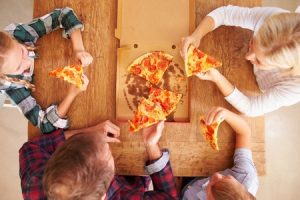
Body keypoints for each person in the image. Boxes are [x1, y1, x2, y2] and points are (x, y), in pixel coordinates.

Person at [181, 5, 300, 116]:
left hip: (256, 87)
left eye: (258, 60)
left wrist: (217, 78)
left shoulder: (295, 89)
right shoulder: (275, 21)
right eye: (253, 42)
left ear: (286, 67)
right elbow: (224, 14)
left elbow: (252, 108)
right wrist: (196, 35)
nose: (247, 57)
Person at [19, 120, 178, 199]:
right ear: (103, 195)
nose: (103, 141)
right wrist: (151, 146)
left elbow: (31, 148)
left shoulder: (34, 182)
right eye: (108, 152)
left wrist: (87, 132)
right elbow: (169, 196)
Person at [0, 7, 93, 133]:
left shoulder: (17, 33)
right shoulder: (11, 86)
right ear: (4, 75)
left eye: (22, 51)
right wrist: (72, 94)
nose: (27, 61)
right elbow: (45, 125)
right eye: (18, 67)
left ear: (12, 39)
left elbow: (64, 15)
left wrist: (79, 49)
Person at [181, 107, 258, 200]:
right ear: (242, 187)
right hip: (195, 178)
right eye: (227, 178)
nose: (216, 175)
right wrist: (225, 114)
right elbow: (244, 133)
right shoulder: (246, 175)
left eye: (211, 186)